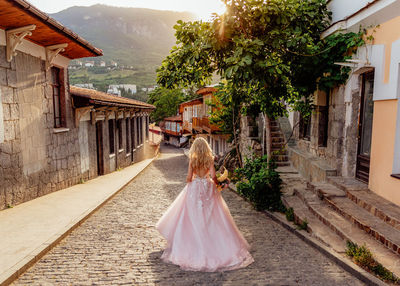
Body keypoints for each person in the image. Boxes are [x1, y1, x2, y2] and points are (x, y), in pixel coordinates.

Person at [156, 137, 254, 272]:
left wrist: (193, 178)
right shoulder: (209, 160)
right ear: (206, 147)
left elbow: (189, 178)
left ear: (194, 148)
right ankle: (218, 243)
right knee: (213, 215)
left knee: (192, 215)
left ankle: (194, 241)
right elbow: (213, 176)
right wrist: (218, 182)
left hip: (195, 188)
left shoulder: (193, 160)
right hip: (208, 187)